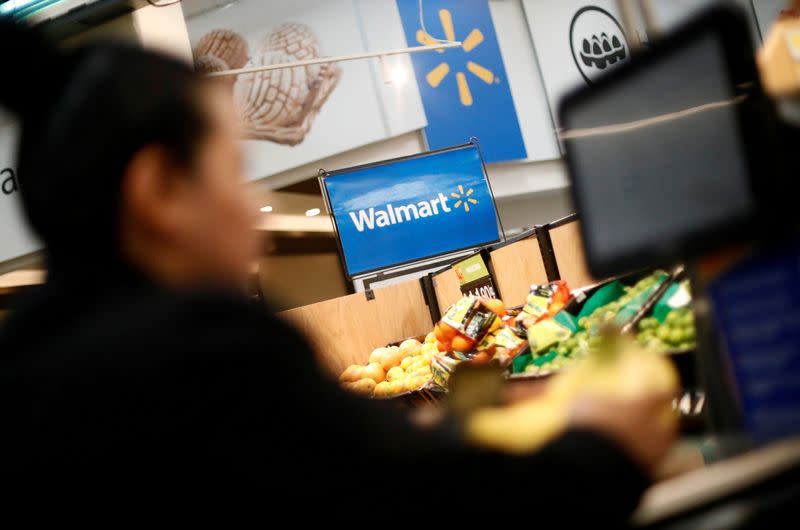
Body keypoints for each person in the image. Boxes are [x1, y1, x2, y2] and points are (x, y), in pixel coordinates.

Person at [0, 21, 673, 520]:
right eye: (231, 171)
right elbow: (441, 505)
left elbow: (336, 466)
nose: (249, 211)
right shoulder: (202, 355)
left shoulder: (35, 367)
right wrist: (604, 447)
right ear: (160, 193)